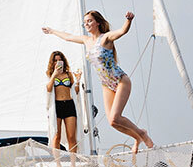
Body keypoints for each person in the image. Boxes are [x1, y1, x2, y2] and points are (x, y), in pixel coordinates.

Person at [41, 10, 155, 154]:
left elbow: (121, 32)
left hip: (120, 80)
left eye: (89, 21)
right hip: (106, 85)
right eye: (85, 22)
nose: (86, 24)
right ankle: (137, 137)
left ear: (98, 22)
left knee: (115, 116)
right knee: (112, 122)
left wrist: (128, 21)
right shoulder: (86, 40)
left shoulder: (105, 38)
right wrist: (52, 31)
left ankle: (142, 134)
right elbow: (68, 37)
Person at [45, 51, 81, 153]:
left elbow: (75, 91)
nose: (58, 62)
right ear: (52, 62)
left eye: (60, 60)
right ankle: (58, 165)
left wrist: (78, 81)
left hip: (69, 105)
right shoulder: (50, 74)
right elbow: (48, 88)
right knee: (56, 136)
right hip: (57, 106)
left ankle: (73, 164)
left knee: (71, 136)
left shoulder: (69, 74)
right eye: (55, 60)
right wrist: (54, 75)